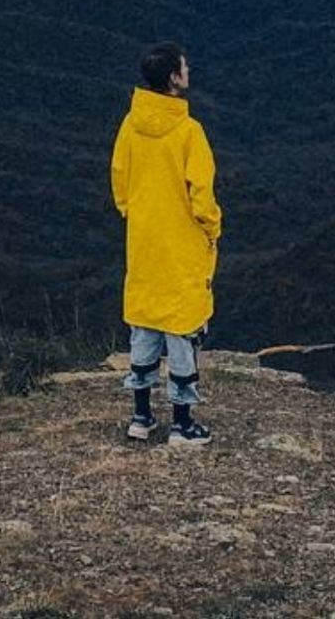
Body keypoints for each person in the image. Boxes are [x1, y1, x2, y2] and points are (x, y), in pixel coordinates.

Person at [111, 42, 222, 446]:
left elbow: (119, 181)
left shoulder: (130, 124)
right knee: (181, 332)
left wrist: (137, 214)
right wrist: (212, 227)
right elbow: (201, 194)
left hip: (143, 241)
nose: (189, 71)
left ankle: (140, 417)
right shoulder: (189, 131)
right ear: (174, 78)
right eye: (185, 67)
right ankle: (182, 422)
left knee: (143, 327)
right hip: (181, 243)